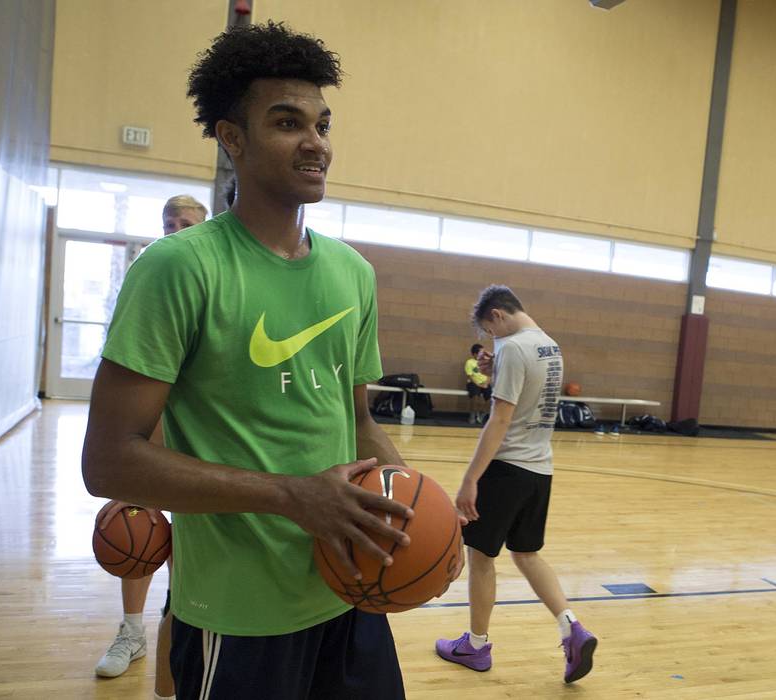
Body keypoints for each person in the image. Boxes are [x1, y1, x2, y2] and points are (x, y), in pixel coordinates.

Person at [82, 23, 461, 700]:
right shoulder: (179, 268)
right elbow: (109, 460)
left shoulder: (353, 274)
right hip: (239, 614)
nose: (316, 142)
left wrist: (419, 511)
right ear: (233, 138)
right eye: (288, 123)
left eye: (322, 123)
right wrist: (292, 495)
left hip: (353, 593)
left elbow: (357, 422)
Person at [436, 285, 597, 684]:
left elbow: (502, 419)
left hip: (507, 467)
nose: (491, 342)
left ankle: (475, 645)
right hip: (540, 468)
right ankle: (572, 627)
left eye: (490, 333)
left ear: (497, 316)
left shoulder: (512, 348)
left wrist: (470, 479)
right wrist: (496, 372)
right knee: (526, 554)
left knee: (481, 557)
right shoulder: (550, 346)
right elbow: (530, 397)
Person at [94, 195, 208, 700]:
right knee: (137, 535)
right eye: (169, 223)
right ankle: (130, 631)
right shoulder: (151, 281)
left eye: (186, 223)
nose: (176, 229)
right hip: (147, 437)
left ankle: (174, 638)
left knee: (187, 564)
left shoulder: (209, 286)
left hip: (198, 446)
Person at [465, 342, 492, 424]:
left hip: (484, 384)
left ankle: (482, 414)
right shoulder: (469, 362)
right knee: (475, 397)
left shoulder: (486, 362)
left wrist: (486, 383)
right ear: (475, 353)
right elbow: (470, 376)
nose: (483, 354)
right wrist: (478, 384)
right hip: (473, 383)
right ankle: (473, 414)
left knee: (492, 398)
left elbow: (489, 375)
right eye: (481, 352)